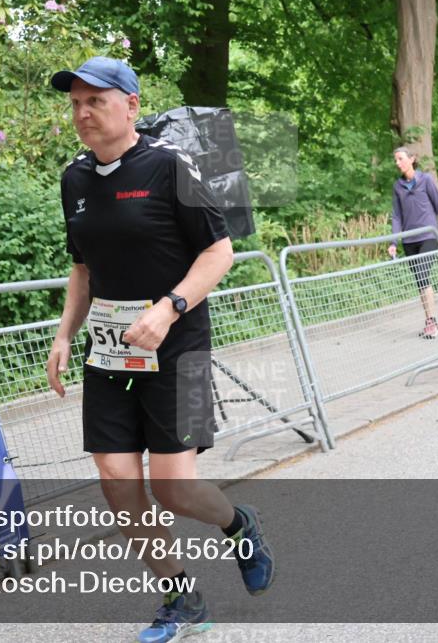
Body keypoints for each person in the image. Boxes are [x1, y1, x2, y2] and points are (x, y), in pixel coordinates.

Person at [46, 56, 274, 643]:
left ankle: (238, 523)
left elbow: (218, 252)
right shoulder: (73, 179)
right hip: (111, 350)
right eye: (75, 103)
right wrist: (65, 334)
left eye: (95, 100)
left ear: (132, 105)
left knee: (174, 487)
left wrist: (168, 308)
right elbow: (82, 268)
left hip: (180, 346)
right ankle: (180, 597)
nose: (83, 112)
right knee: (118, 483)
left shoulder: (170, 167)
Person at [387, 147, 438, 340]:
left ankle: (432, 322)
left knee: (423, 275)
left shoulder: (425, 180)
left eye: (400, 159)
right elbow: (397, 216)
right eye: (396, 160)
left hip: (429, 236)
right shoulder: (398, 186)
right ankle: (429, 320)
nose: (397, 163)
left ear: (412, 159)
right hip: (409, 241)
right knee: (421, 281)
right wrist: (393, 241)